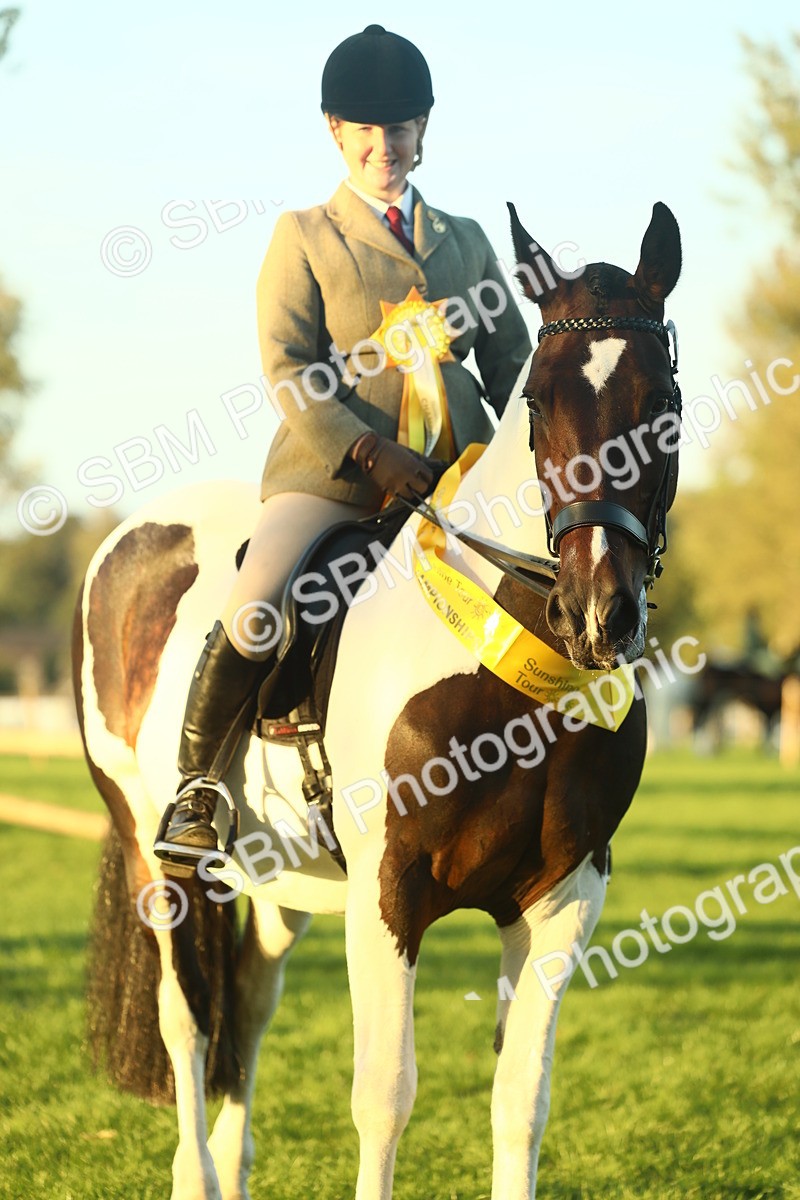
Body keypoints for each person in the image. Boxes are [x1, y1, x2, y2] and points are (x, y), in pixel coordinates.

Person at [154, 23, 532, 871]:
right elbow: (286, 367)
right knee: (260, 594)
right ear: (336, 132)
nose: (382, 147)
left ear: (423, 131)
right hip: (330, 473)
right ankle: (198, 787)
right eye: (364, 131)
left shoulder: (467, 241)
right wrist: (368, 454)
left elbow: (513, 370)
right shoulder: (303, 236)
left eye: (398, 129)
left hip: (455, 479)